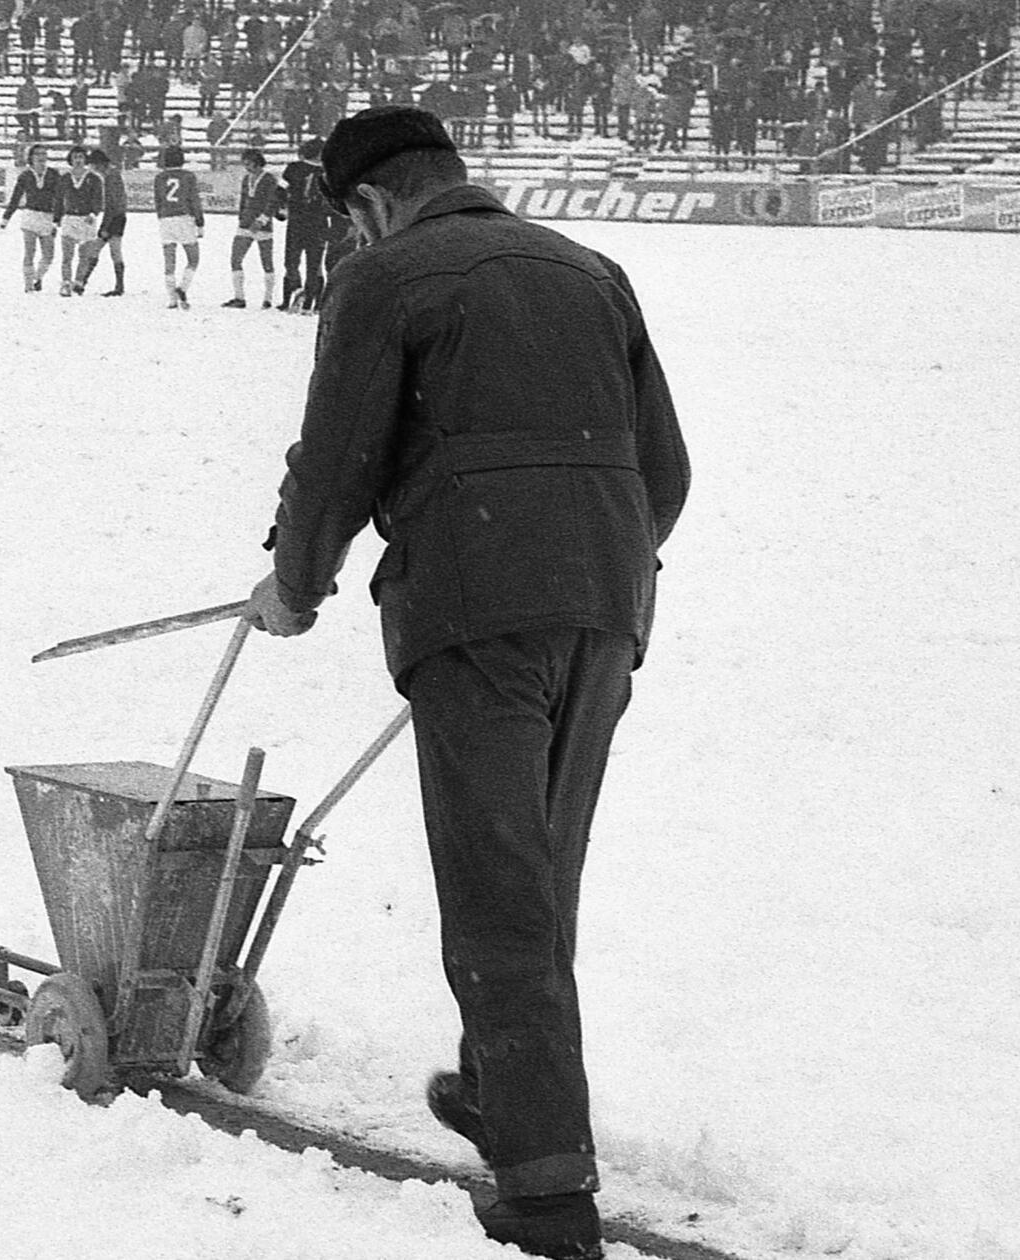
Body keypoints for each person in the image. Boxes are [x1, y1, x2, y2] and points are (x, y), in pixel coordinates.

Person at [241, 106, 690, 1260]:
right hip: (602, 599)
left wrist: (294, 584)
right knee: (537, 866)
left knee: (496, 891)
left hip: (475, 603)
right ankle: (500, 1087)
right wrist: (579, 557)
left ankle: (544, 1192)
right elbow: (666, 471)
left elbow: (335, 458)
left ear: (371, 205)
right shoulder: (590, 270)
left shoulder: (385, 277)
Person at [0, 143, 61, 292]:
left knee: (49, 254)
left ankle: (37, 278)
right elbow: (16, 197)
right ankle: (28, 286)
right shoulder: (25, 175)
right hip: (30, 216)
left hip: (47, 216)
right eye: (38, 154)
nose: (41, 157)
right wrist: (6, 217)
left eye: (43, 154)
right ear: (31, 157)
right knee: (30, 251)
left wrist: (57, 219)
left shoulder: (53, 174)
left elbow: (60, 198)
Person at [224, 147, 280, 308]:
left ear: (257, 163)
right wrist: (241, 217)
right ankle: (239, 297)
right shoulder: (246, 179)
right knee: (235, 259)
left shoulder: (269, 179)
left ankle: (268, 298)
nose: (246, 167)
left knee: (266, 262)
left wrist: (262, 220)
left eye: (248, 163)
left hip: (262, 225)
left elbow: (273, 202)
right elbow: (243, 200)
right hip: (246, 224)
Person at [279, 136, 327, 311]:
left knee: (291, 261)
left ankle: (295, 293)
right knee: (313, 264)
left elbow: (280, 190)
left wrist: (282, 209)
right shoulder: (327, 173)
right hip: (317, 222)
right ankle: (308, 302)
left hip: (297, 221)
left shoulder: (293, 169)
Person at [71, 147, 126, 296]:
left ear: (99, 164)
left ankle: (83, 283)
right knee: (105, 250)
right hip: (118, 216)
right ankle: (83, 283)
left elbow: (111, 203)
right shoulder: (113, 175)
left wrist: (105, 225)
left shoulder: (109, 178)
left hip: (114, 217)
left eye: (93, 165)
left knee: (105, 250)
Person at [152, 143, 202, 308]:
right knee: (193, 259)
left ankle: (172, 299)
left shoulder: (159, 178)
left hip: (166, 219)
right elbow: (194, 199)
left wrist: (161, 217)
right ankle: (182, 288)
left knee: (169, 261)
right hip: (183, 218)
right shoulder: (188, 176)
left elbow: (158, 201)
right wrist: (200, 221)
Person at [53, 144, 103, 297]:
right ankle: (66, 283)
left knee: (85, 255)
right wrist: (56, 220)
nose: (78, 160)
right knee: (67, 255)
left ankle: (79, 281)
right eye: (75, 157)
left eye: (81, 157)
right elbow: (59, 200)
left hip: (87, 218)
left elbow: (98, 199)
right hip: (69, 218)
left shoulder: (94, 178)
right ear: (70, 160)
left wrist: (94, 213)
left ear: (85, 159)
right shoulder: (65, 178)